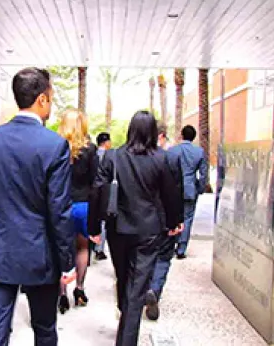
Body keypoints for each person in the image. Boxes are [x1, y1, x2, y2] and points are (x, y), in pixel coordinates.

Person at [0, 67, 74, 346]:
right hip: (40, 252)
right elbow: (59, 209)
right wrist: (67, 261)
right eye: (51, 97)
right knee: (44, 328)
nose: (51, 103)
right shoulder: (54, 145)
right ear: (42, 99)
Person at [90, 110, 183, 346]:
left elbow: (97, 191)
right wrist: (174, 222)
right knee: (135, 286)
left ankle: (126, 323)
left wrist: (94, 227)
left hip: (118, 229)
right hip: (149, 230)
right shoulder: (162, 159)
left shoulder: (113, 157)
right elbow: (171, 194)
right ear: (153, 132)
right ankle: (128, 322)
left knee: (125, 281)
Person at [57, 109, 98, 314]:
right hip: (83, 206)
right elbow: (95, 182)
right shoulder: (90, 150)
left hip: (61, 205)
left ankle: (61, 293)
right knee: (82, 248)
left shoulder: (56, 147)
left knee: (61, 249)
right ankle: (79, 289)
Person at [145, 122, 184, 321]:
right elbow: (176, 192)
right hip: (164, 219)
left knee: (147, 257)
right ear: (160, 136)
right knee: (163, 257)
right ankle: (155, 288)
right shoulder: (170, 158)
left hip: (144, 220)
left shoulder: (138, 158)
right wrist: (177, 220)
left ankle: (146, 286)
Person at [168, 125, 208, 259]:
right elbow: (203, 174)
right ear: (194, 137)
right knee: (188, 218)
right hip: (191, 188)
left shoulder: (172, 151)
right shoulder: (199, 152)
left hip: (174, 189)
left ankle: (172, 243)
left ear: (182, 135)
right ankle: (181, 248)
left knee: (174, 215)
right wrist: (200, 188)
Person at [94, 132, 111, 261]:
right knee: (103, 221)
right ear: (106, 142)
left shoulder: (93, 154)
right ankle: (99, 249)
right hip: (104, 191)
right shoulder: (109, 156)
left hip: (91, 190)